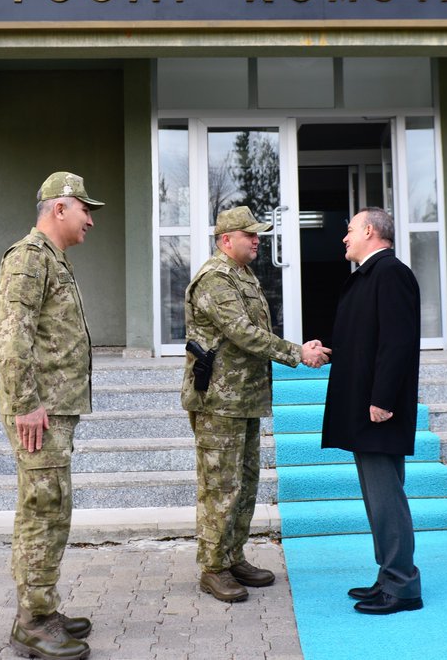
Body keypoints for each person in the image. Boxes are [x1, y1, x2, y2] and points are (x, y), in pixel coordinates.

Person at [183, 205, 331, 603]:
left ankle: (232, 556)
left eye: (258, 234)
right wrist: (297, 352)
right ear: (225, 240)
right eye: (250, 235)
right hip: (218, 401)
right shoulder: (215, 278)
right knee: (221, 486)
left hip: (244, 398)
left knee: (245, 484)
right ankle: (213, 567)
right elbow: (242, 333)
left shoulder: (242, 275)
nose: (257, 240)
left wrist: (296, 349)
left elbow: (255, 331)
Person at [0, 171, 104, 660]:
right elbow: (13, 337)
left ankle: (42, 606)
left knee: (51, 507)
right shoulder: (28, 258)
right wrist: (25, 405)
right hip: (39, 409)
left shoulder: (52, 260)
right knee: (43, 509)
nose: (90, 221)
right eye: (86, 210)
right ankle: (33, 623)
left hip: (54, 406)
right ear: (60, 208)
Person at [321, 207, 424, 615]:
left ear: (368, 230)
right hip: (365, 407)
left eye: (348, 231)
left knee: (386, 498)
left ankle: (402, 586)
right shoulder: (369, 276)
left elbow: (396, 343)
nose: (344, 238)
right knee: (378, 496)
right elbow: (363, 339)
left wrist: (383, 400)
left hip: (379, 409)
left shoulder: (390, 273)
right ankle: (388, 576)